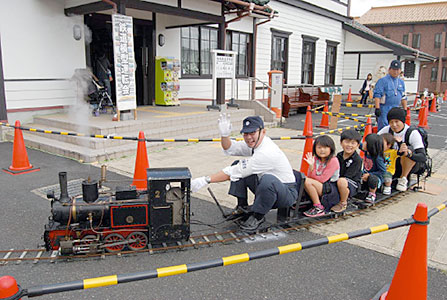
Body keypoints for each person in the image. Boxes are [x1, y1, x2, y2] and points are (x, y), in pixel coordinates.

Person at [190, 114, 298, 232]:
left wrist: (205, 180)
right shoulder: (256, 143)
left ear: (263, 132)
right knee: (238, 164)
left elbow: (234, 172)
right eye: (246, 133)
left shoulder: (267, 152)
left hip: (286, 193)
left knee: (264, 178)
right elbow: (230, 148)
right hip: (270, 187)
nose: (248, 137)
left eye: (252, 133)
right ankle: (242, 206)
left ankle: (258, 216)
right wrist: (224, 135)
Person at [377, 107, 427, 191]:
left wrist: (408, 153)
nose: (394, 125)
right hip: (390, 162)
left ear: (403, 121)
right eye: (391, 122)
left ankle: (403, 178)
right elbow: (373, 142)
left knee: (408, 150)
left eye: (397, 122)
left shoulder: (412, 133)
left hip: (409, 164)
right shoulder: (386, 130)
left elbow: (422, 157)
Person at [303, 135, 340, 217]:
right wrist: (311, 166)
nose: (322, 150)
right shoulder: (315, 159)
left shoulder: (333, 161)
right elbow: (310, 177)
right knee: (303, 179)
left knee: (307, 180)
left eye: (325, 147)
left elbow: (322, 179)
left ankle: (318, 207)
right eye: (319, 147)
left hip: (330, 189)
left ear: (331, 149)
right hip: (320, 186)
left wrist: (312, 169)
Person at [332, 129, 362, 213]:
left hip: (352, 183)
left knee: (342, 181)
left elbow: (349, 176)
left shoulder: (357, 159)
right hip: (340, 179)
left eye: (353, 143)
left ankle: (343, 202)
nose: (349, 145)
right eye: (347, 142)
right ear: (341, 143)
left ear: (357, 145)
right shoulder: (339, 155)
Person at [373, 60, 407, 130]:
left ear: (400, 70)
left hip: (396, 108)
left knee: (395, 128)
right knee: (384, 128)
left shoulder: (401, 82)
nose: (395, 72)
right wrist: (377, 108)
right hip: (384, 108)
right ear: (389, 69)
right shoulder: (382, 81)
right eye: (394, 69)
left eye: (397, 70)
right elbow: (377, 95)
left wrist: (405, 109)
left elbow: (403, 97)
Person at [361, 133, 386, 204]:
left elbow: (383, 171)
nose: (363, 143)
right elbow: (359, 145)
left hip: (376, 178)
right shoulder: (367, 152)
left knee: (372, 179)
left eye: (365, 142)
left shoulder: (378, 158)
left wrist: (369, 175)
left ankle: (372, 194)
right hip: (365, 173)